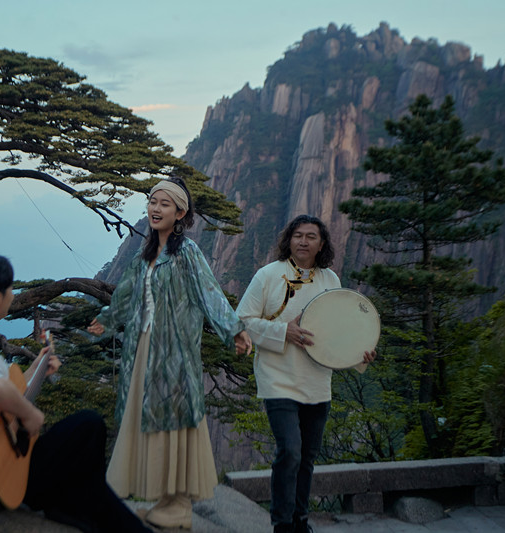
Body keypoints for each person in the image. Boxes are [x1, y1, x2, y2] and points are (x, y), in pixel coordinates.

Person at [0, 250, 151, 533]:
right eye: (9, 290)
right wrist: (31, 416)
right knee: (89, 426)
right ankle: (91, 515)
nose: (11, 295)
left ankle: (79, 510)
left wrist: (37, 368)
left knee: (87, 478)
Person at [88, 177, 253, 529]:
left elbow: (211, 294)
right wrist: (106, 319)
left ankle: (177, 506)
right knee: (147, 423)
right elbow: (126, 294)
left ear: (180, 213)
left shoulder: (187, 253)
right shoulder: (145, 252)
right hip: (142, 348)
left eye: (164, 204)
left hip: (174, 353)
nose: (155, 208)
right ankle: (160, 498)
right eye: (152, 201)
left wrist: (234, 330)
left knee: (175, 424)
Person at [235, 215, 376, 533]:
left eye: (311, 236)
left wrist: (360, 355)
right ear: (289, 240)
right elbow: (241, 321)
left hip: (316, 380)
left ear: (321, 243)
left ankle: (300, 520)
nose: (303, 241)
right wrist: (284, 331)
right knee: (291, 450)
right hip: (277, 377)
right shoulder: (268, 275)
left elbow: (337, 333)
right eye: (297, 235)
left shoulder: (331, 281)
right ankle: (282, 523)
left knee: (308, 456)